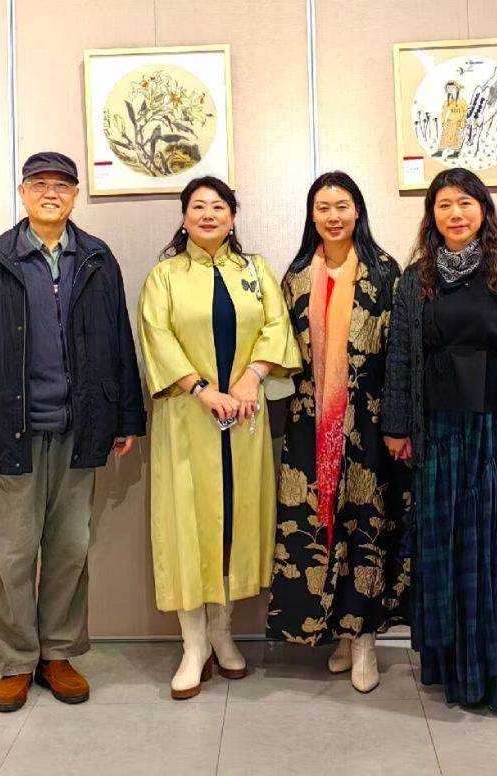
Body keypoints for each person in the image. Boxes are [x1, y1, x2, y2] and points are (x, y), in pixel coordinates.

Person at [0, 152, 146, 712]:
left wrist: (126, 417)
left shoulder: (97, 258)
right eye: (39, 184)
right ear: (23, 193)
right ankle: (16, 661)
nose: (50, 193)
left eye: (61, 185)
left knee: (70, 548)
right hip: (11, 429)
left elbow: (119, 340)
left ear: (75, 195)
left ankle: (57, 654)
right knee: (13, 552)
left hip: (81, 426)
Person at [381, 167, 497, 713]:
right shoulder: (415, 281)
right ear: (431, 215)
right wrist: (398, 426)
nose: (455, 214)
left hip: (496, 434)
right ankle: (455, 668)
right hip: (439, 435)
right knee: (448, 551)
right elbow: (401, 358)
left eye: (465, 202)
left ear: (483, 209)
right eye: (443, 205)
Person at [138, 176, 300, 700]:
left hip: (245, 418)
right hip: (188, 418)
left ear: (232, 217)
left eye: (218, 207)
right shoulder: (164, 276)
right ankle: (193, 645)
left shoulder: (255, 271)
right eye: (198, 207)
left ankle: (222, 632)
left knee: (234, 520)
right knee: (188, 524)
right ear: (184, 217)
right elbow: (157, 337)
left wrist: (252, 377)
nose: (208, 214)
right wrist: (202, 390)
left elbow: (277, 327)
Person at [266, 171, 410, 694]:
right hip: (310, 422)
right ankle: (338, 636)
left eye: (342, 206)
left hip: (368, 423)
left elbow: (400, 355)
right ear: (312, 215)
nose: (333, 216)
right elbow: (279, 347)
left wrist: (398, 422)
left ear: (358, 211)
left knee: (366, 527)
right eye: (323, 207)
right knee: (318, 527)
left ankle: (365, 638)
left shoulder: (384, 271)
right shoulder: (296, 275)